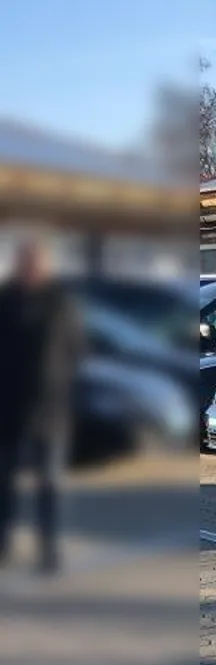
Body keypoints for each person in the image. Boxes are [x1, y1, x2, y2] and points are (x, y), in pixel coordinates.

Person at [0, 240, 80, 574]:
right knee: (5, 484)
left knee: (49, 485)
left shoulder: (59, 303)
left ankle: (48, 551)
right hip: (10, 409)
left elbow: (76, 347)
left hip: (50, 412)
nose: (31, 268)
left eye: (36, 262)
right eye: (26, 262)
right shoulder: (5, 301)